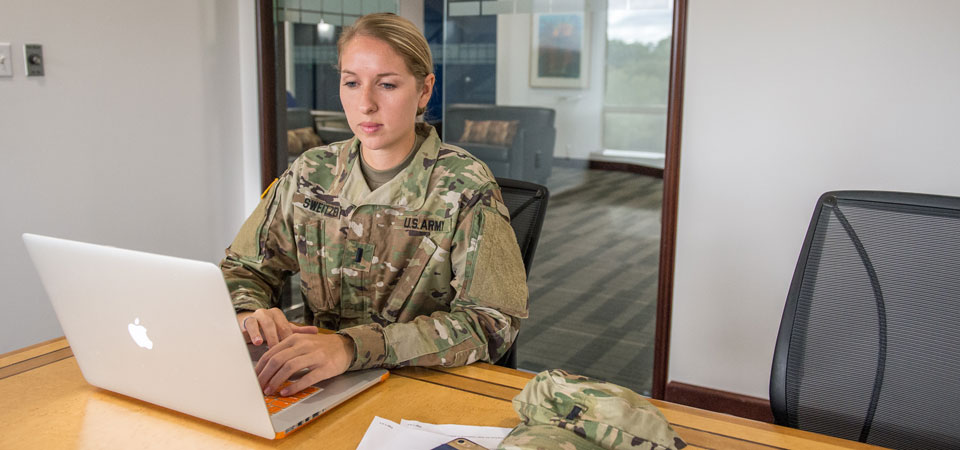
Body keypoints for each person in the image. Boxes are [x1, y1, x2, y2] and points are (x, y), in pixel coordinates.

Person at [220, 13, 529, 397]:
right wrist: (248, 314)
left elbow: (492, 322)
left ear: (424, 91)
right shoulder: (310, 173)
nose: (365, 104)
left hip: (419, 385)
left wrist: (352, 347)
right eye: (351, 82)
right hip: (318, 381)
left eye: (386, 84)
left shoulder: (465, 185)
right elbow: (243, 268)